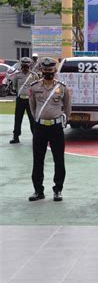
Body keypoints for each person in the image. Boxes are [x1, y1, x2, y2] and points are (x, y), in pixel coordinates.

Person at [28, 57, 71, 202]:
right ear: (41, 71)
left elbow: (68, 108)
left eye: (50, 71)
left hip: (56, 127)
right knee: (38, 159)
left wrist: (61, 120)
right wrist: (39, 120)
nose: (48, 73)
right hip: (40, 128)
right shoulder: (34, 87)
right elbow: (32, 107)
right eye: (45, 71)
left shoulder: (62, 88)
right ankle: (38, 191)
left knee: (59, 159)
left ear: (55, 71)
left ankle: (58, 190)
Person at [10, 57, 38, 144]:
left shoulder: (34, 75)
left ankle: (36, 137)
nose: (25, 67)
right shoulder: (17, 75)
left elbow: (37, 87)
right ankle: (16, 137)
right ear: (21, 65)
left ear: (29, 65)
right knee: (18, 119)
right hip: (20, 99)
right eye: (24, 66)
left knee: (32, 119)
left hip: (30, 100)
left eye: (27, 66)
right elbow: (14, 86)